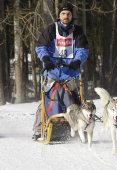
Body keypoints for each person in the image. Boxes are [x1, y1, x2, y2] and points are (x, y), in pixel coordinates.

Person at [32, 2, 89, 140]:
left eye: (68, 14)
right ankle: (39, 128)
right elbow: (41, 47)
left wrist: (76, 62)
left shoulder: (78, 32)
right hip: (52, 73)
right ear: (59, 15)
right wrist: (46, 60)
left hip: (70, 74)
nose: (66, 16)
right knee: (47, 99)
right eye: (63, 14)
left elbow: (83, 51)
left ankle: (81, 126)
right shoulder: (51, 30)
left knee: (75, 101)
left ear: (72, 15)